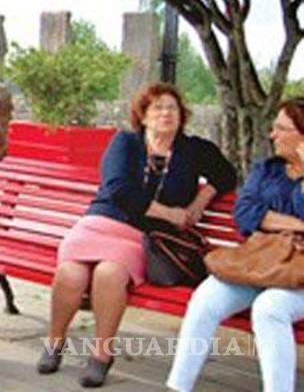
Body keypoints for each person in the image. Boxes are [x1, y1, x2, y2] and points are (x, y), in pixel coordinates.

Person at [38, 83, 236, 387]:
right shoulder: (126, 143)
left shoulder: (193, 150)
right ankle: (54, 342)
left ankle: (102, 354)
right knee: (70, 274)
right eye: (157, 108)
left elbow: (226, 174)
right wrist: (170, 213)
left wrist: (199, 203)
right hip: (101, 223)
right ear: (143, 116)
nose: (165, 113)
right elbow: (119, 189)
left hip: (141, 235)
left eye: (172, 108)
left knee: (109, 274)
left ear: (182, 115)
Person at [166, 97, 304, 392]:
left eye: (281, 129)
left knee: (269, 308)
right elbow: (244, 213)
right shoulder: (267, 169)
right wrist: (298, 226)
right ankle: (178, 387)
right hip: (263, 263)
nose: (272, 135)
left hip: (299, 276)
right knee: (205, 298)